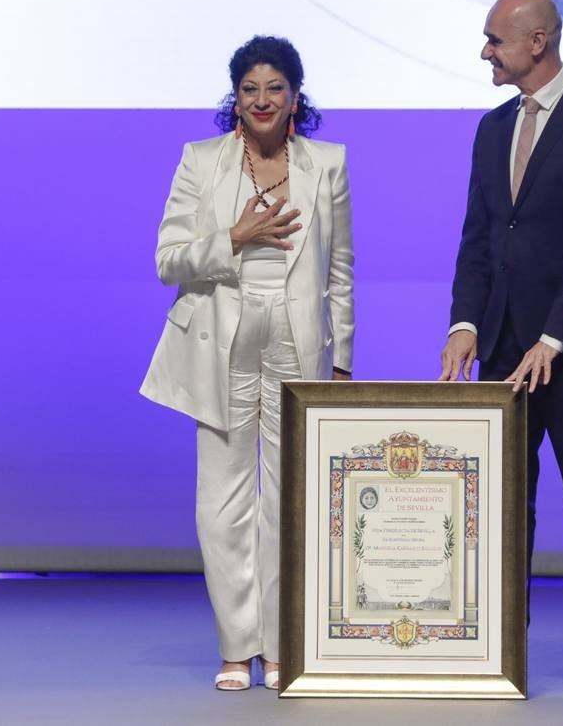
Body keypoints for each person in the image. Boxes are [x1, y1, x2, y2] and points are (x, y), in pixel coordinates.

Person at [439, 0, 563, 700]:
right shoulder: (492, 129)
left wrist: (552, 337)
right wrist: (464, 323)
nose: (485, 51)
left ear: (538, 41)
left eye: (494, 39)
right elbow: (478, 237)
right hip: (500, 348)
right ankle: (501, 644)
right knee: (501, 504)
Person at [141, 35, 354, 691]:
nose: (262, 99)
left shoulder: (328, 164)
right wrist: (235, 236)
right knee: (223, 503)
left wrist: (340, 357)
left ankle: (279, 641)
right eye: (249, 89)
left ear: (295, 98)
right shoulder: (201, 162)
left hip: (296, 344)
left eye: (274, 88)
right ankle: (237, 649)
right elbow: (166, 259)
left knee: (288, 501)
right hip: (222, 340)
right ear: (235, 101)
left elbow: (340, 269)